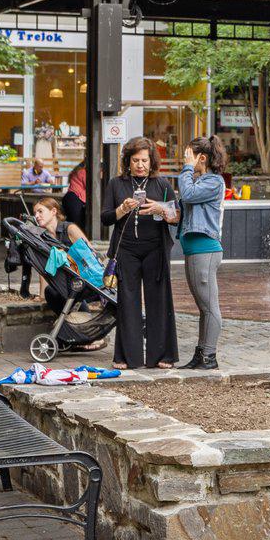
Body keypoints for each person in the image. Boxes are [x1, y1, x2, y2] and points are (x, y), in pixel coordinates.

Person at [104, 137, 179, 368]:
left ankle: (163, 355)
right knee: (128, 302)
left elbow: (176, 217)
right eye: (135, 160)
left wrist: (161, 208)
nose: (140, 165)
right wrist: (121, 209)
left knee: (159, 300)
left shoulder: (162, 184)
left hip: (155, 249)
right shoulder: (116, 184)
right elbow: (105, 218)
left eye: (144, 160)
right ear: (128, 161)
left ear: (151, 161)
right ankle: (126, 356)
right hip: (126, 250)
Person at [176, 136, 227, 370]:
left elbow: (187, 195)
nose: (183, 161)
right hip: (194, 249)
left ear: (201, 158)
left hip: (204, 250)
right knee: (203, 307)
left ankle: (209, 356)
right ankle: (201, 354)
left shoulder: (213, 181)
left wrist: (187, 168)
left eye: (188, 155)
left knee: (209, 306)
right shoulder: (199, 181)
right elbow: (186, 205)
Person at [63, 163, 89, 230]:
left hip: (69, 197)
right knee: (77, 226)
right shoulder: (83, 172)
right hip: (75, 199)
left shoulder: (75, 172)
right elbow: (90, 186)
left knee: (70, 223)